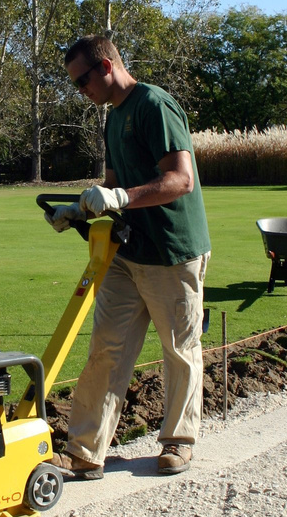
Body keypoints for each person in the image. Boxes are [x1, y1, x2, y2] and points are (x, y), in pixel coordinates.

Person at [46, 35, 211, 480]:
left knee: (178, 349)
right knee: (107, 348)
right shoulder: (112, 118)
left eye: (82, 82)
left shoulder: (154, 106)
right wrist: (78, 209)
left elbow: (181, 179)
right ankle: (85, 451)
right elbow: (113, 185)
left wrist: (118, 195)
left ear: (105, 66)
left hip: (172, 251)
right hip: (127, 251)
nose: (82, 92)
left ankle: (179, 441)